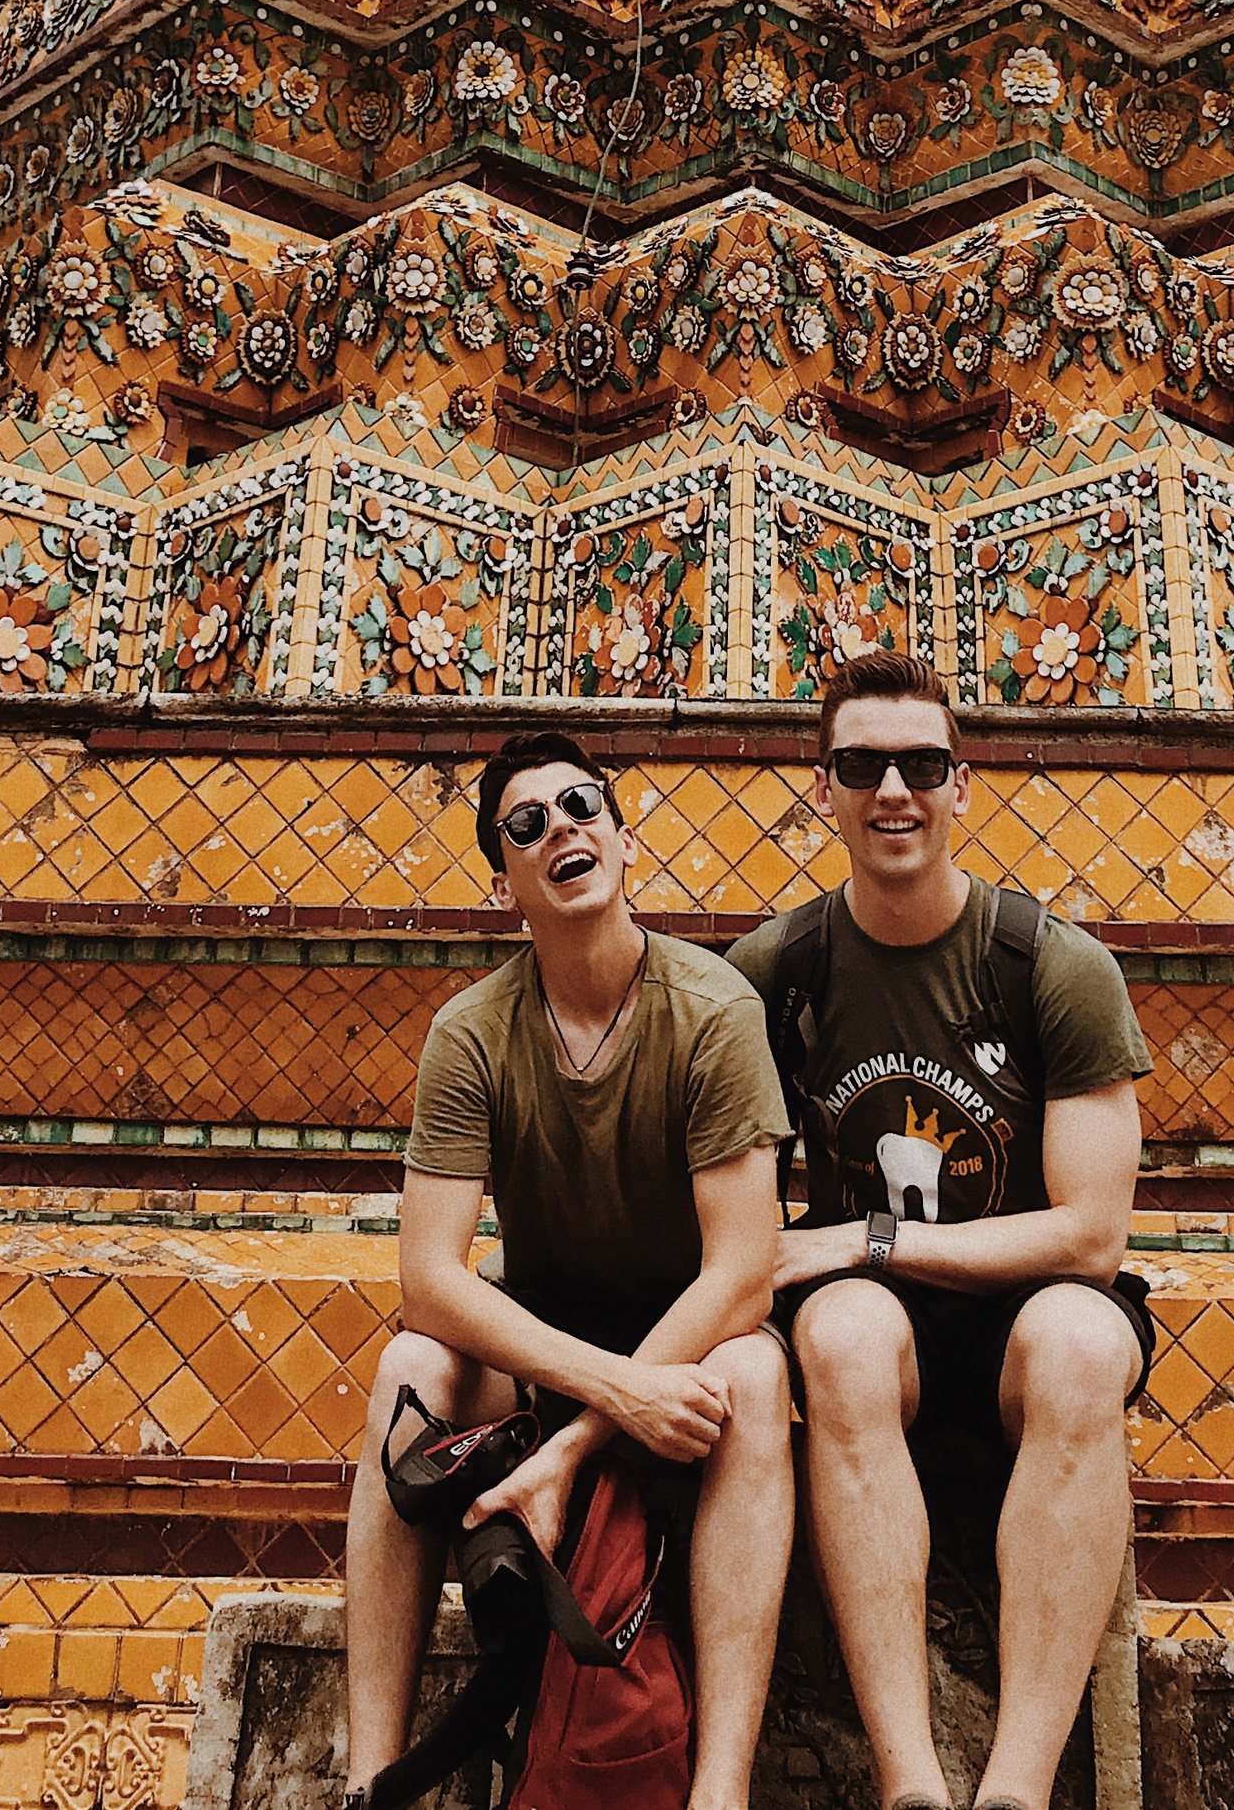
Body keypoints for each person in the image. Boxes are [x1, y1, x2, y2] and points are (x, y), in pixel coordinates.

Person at [730, 654, 1154, 1810]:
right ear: (824, 789)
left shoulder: (1048, 966)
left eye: (919, 764)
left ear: (962, 784)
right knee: (844, 1335)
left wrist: (863, 1238)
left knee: (1079, 1340)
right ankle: (910, 1786)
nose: (892, 793)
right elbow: (728, 1210)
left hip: (1023, 1316)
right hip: (877, 1339)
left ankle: (1012, 1790)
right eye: (861, 766)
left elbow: (1091, 1240)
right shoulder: (777, 973)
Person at [345, 729, 795, 1810]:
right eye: (527, 824)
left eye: (582, 807)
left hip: (690, 1351)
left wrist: (602, 1426)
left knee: (761, 1376)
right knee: (409, 1365)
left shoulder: (713, 1010)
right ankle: (367, 1778)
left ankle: (718, 1792)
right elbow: (428, 1278)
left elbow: (743, 1273)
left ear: (624, 839)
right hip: (549, 1354)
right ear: (505, 879)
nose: (562, 831)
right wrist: (604, 1390)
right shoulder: (472, 1034)